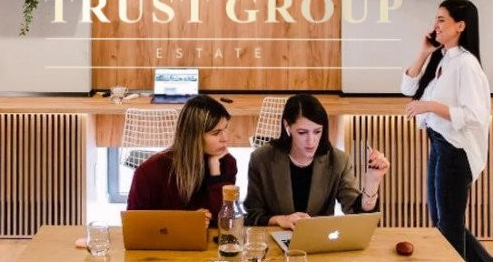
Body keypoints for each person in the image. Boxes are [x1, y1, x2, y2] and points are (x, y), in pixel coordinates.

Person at [401, 0, 493, 262]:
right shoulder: (443, 58)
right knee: (443, 223)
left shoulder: (466, 64)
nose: (436, 25)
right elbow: (407, 88)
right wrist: (424, 52)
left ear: (461, 26)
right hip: (440, 145)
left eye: (442, 19)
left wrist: (429, 106)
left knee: (448, 228)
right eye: (436, 19)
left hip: (456, 151)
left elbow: (474, 115)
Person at [245, 93, 389, 228]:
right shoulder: (261, 159)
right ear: (287, 126)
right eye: (302, 132)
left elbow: (359, 219)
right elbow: (252, 216)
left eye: (317, 132)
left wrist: (372, 182)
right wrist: (279, 219)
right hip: (275, 237)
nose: (311, 141)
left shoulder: (338, 160)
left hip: (320, 240)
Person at [126, 94, 235, 225]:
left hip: (210, 238)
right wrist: (185, 221)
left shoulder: (226, 163)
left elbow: (225, 222)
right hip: (165, 238)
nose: (225, 138)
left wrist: (216, 174)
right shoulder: (149, 171)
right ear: (193, 136)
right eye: (216, 133)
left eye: (225, 128)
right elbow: (134, 224)